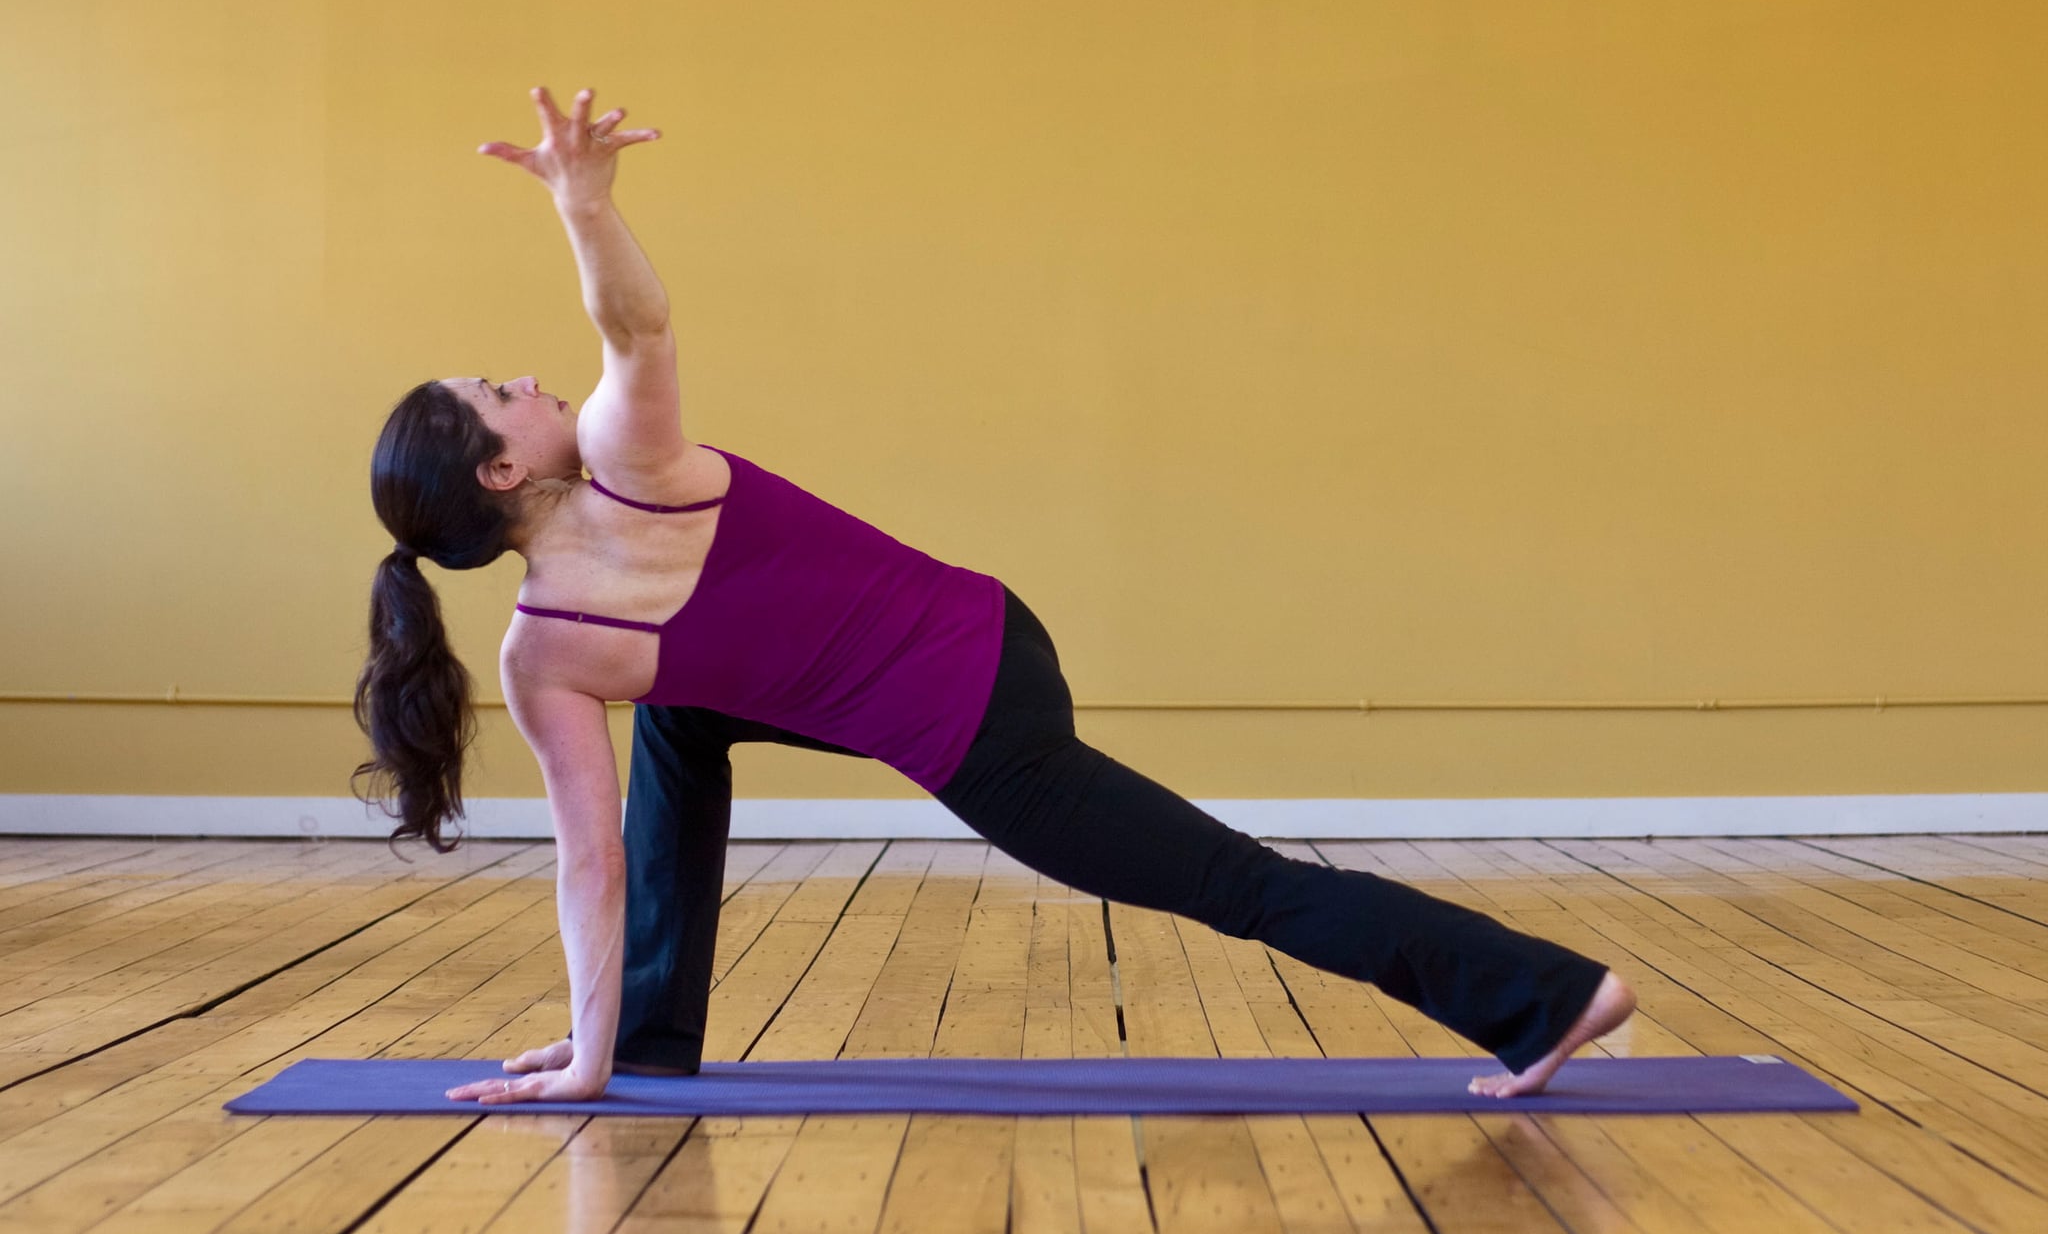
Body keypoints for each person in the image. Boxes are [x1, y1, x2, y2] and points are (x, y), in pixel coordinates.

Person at [354, 86, 1635, 1107]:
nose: (526, 375)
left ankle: (1542, 995)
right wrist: (585, 1056)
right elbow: (591, 854)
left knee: (1234, 884)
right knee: (682, 716)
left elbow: (633, 329)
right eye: (497, 390)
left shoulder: (555, 629)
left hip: (979, 708)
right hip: (963, 640)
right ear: (503, 466)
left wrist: (584, 203)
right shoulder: (606, 539)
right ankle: (646, 1039)